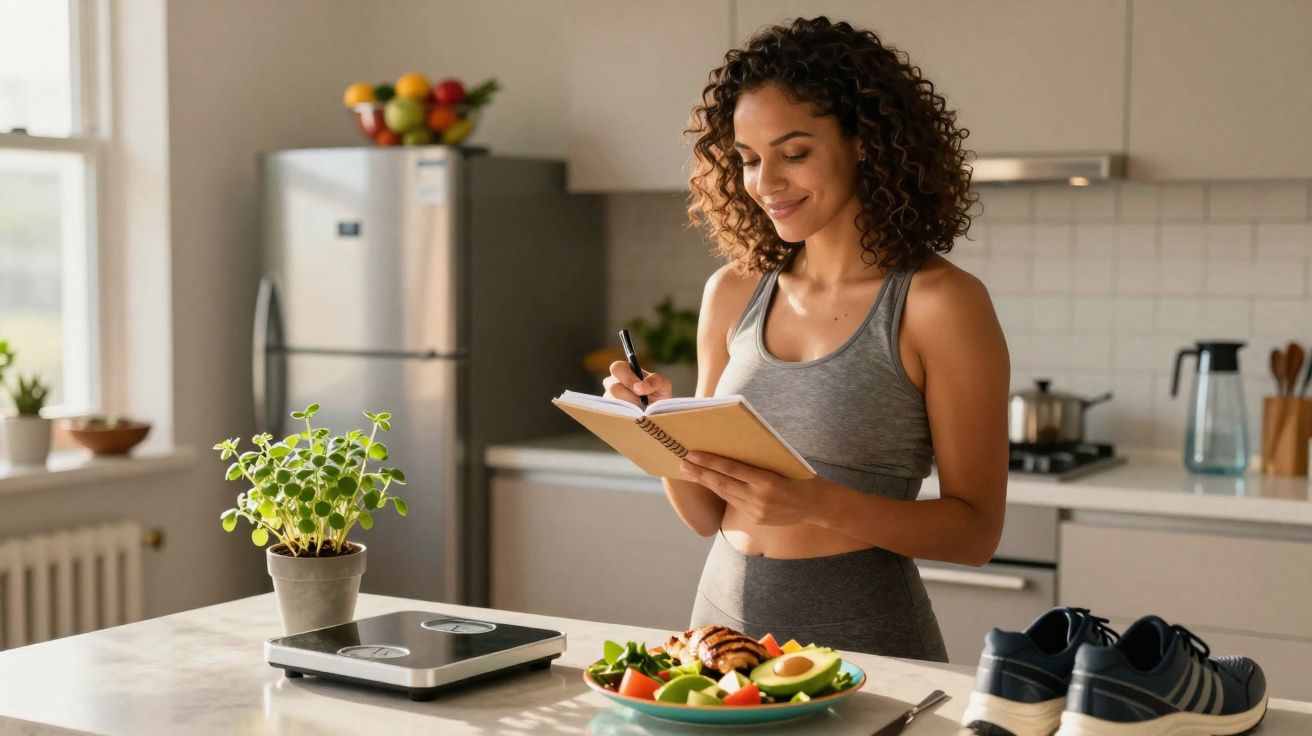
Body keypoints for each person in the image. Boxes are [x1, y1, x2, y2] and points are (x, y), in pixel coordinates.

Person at [604, 16, 1009, 661]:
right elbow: (706, 514)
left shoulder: (938, 304)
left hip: (866, 649)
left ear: (865, 142)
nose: (765, 183)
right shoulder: (733, 292)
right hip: (720, 640)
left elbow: (975, 532)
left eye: (794, 154)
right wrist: (654, 431)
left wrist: (812, 501)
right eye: (748, 160)